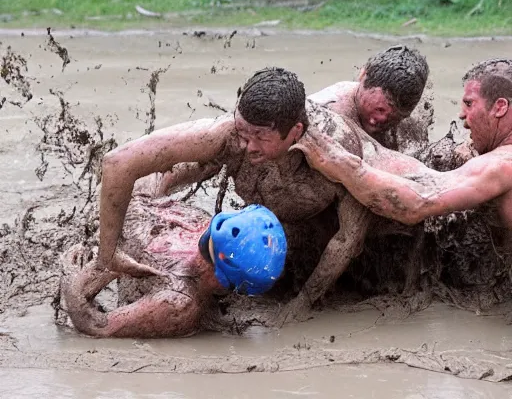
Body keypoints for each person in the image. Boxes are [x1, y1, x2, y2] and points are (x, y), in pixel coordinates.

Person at [93, 66, 421, 325]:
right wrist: (110, 252)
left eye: (260, 138)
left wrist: (304, 302)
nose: (247, 145)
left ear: (295, 133)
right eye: (242, 131)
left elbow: (348, 239)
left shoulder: (340, 154)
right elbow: (123, 163)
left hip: (317, 237)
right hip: (263, 229)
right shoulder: (228, 135)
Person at [291, 58, 512, 231]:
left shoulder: (502, 164)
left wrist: (339, 164)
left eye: (469, 104)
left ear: (500, 107)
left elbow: (418, 204)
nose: (461, 115)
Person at [61, 188, 287, 338]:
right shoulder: (196, 221)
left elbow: (96, 326)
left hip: (117, 222)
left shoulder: (178, 304)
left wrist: (70, 276)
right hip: (124, 227)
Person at [309, 45, 430, 152]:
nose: (376, 121)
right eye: (379, 109)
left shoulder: (409, 123)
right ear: (362, 75)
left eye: (393, 118)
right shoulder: (324, 113)